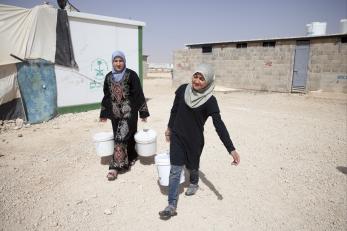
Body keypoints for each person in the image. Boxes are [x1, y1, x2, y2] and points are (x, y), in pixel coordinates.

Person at [159, 63, 240, 219]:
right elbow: (174, 110)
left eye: (201, 79)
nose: (196, 81)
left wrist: (231, 149)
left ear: (208, 82)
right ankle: (171, 205)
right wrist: (169, 128)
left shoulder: (210, 101)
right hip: (177, 136)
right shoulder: (183, 90)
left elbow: (219, 126)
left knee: (192, 166)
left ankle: (194, 182)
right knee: (175, 170)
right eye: (195, 76)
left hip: (194, 140)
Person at [100, 50, 150, 181]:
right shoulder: (108, 77)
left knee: (120, 137)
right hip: (115, 113)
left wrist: (143, 112)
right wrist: (104, 113)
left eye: (120, 60)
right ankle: (132, 156)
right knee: (126, 135)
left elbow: (139, 94)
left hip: (129, 113)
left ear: (124, 61)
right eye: (115, 61)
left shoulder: (131, 75)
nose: (118, 63)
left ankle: (115, 167)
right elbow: (106, 96)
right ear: (112, 62)